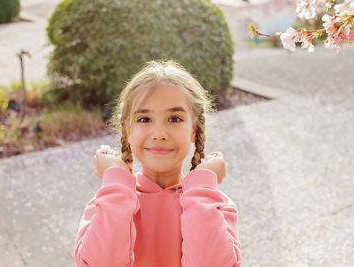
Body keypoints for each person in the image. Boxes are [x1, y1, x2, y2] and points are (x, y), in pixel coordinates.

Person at [74, 60, 241, 267]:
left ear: (193, 131)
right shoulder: (108, 201)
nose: (160, 134)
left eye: (174, 118)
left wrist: (201, 186)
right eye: (144, 119)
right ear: (127, 130)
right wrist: (116, 178)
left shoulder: (212, 202)